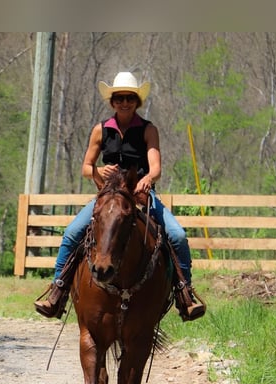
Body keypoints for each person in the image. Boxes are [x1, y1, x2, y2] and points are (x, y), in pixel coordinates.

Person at [34, 71, 206, 322]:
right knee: (72, 233)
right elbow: (85, 167)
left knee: (178, 235)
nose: (124, 102)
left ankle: (185, 293)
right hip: (109, 196)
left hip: (139, 195)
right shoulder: (100, 130)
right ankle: (57, 290)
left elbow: (155, 166)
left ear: (137, 101)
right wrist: (98, 171)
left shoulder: (148, 129)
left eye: (130, 98)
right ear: (112, 101)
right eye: (119, 98)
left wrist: (148, 179)